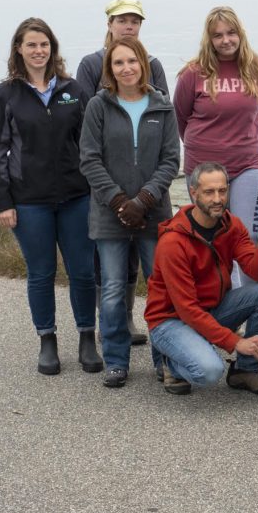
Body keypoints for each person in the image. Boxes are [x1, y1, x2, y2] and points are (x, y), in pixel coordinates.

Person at [0, 18, 103, 375]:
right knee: (41, 272)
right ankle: (47, 340)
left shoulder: (73, 89)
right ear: (18, 49)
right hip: (29, 200)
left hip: (76, 197)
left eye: (44, 45)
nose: (38, 51)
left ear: (53, 48)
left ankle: (87, 337)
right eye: (31, 44)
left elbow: (89, 143)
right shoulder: (5, 94)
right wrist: (3, 202)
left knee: (82, 272)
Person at [79, 36, 180, 388]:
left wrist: (144, 200)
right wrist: (121, 202)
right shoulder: (98, 106)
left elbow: (171, 160)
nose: (126, 68)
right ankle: (117, 361)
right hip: (110, 214)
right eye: (119, 63)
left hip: (154, 215)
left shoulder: (163, 106)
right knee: (111, 289)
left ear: (144, 64)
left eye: (132, 61)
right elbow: (89, 159)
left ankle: (163, 358)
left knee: (160, 287)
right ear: (110, 68)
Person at [76, 0, 169, 347]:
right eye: (122, 20)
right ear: (109, 23)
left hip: (148, 195)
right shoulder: (91, 64)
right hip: (106, 183)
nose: (128, 26)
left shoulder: (153, 65)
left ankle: (139, 328)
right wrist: (114, 195)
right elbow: (87, 120)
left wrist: (144, 197)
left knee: (147, 270)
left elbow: (164, 125)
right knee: (111, 270)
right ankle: (114, 330)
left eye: (135, 21)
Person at [145, 161, 258, 396]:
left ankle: (245, 370)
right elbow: (186, 309)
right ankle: (169, 360)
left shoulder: (232, 225)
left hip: (211, 309)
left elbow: (256, 273)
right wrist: (235, 342)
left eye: (222, 191)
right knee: (208, 371)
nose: (217, 199)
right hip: (170, 320)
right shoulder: (173, 242)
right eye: (209, 192)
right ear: (193, 192)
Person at [175, 6, 258, 286]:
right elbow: (181, 118)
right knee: (213, 239)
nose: (225, 40)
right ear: (209, 39)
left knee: (249, 235)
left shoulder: (257, 68)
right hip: (204, 169)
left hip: (248, 165)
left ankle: (254, 307)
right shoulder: (193, 73)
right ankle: (221, 312)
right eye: (218, 35)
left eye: (231, 33)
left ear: (240, 34)